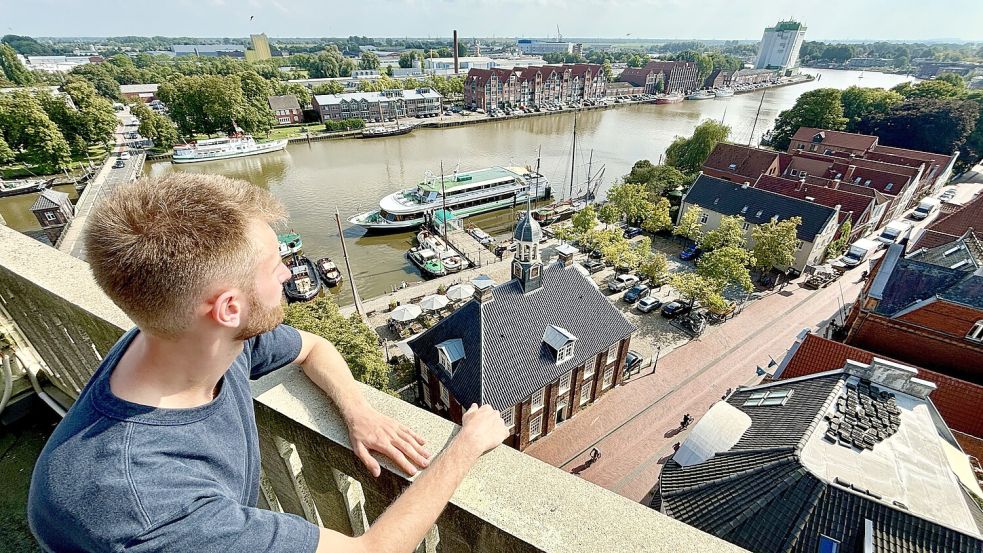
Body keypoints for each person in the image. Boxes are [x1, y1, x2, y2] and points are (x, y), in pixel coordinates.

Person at [28, 174, 509, 553]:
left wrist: (357, 411)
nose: (290, 272)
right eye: (275, 264)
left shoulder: (192, 345)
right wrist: (466, 443)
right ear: (228, 308)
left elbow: (312, 347)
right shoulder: (148, 505)